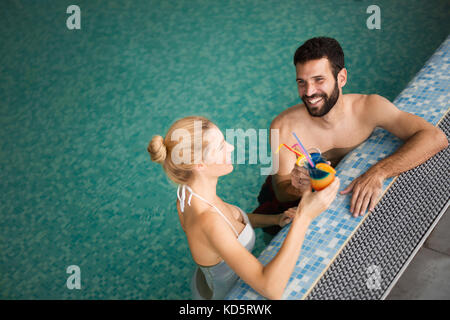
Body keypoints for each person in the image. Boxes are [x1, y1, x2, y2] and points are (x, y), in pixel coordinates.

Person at [255, 37, 448, 236]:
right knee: (274, 234)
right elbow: (281, 191)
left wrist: (378, 173)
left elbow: (434, 137)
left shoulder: (369, 108)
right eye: (301, 83)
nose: (309, 92)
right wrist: (297, 187)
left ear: (341, 78)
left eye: (319, 80)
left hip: (331, 192)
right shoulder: (284, 126)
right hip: (285, 202)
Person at [147, 116, 340, 300]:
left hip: (207, 279)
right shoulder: (208, 220)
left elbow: (234, 220)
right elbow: (271, 288)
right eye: (221, 146)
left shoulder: (188, 192)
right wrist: (304, 216)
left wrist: (276, 218)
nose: (230, 147)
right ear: (199, 164)